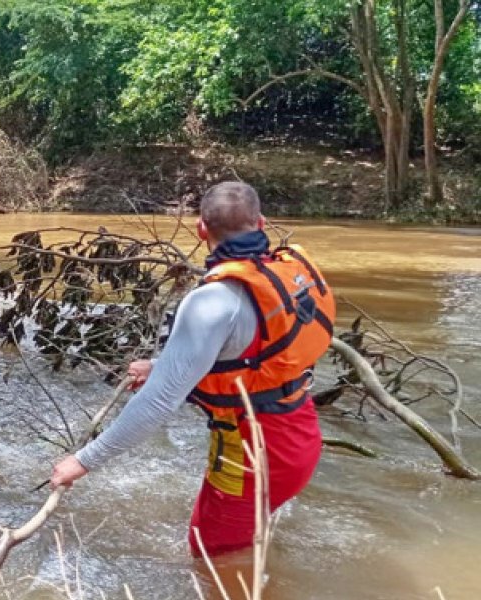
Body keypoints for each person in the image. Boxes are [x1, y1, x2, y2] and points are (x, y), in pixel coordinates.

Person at [49, 182, 336, 558]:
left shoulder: (213, 301)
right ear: (262, 223)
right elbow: (254, 357)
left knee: (210, 559)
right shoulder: (282, 274)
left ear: (201, 229)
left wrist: (83, 460)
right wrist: (160, 365)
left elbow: (157, 404)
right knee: (244, 546)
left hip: (253, 454)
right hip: (299, 435)